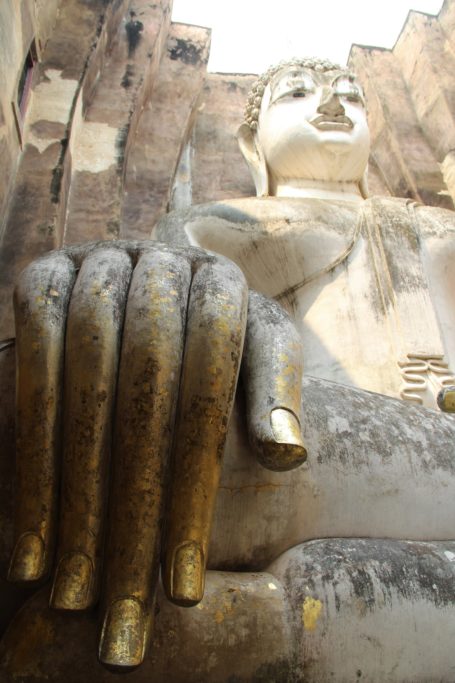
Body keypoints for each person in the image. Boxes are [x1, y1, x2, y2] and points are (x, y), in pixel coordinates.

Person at [2, 57, 455, 682]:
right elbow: (170, 347)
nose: (332, 105)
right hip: (317, 445)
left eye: (350, 95)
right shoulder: (219, 224)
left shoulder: (441, 228)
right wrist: (127, 282)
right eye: (298, 94)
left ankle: (276, 627)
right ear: (252, 142)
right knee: (73, 410)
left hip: (419, 457)